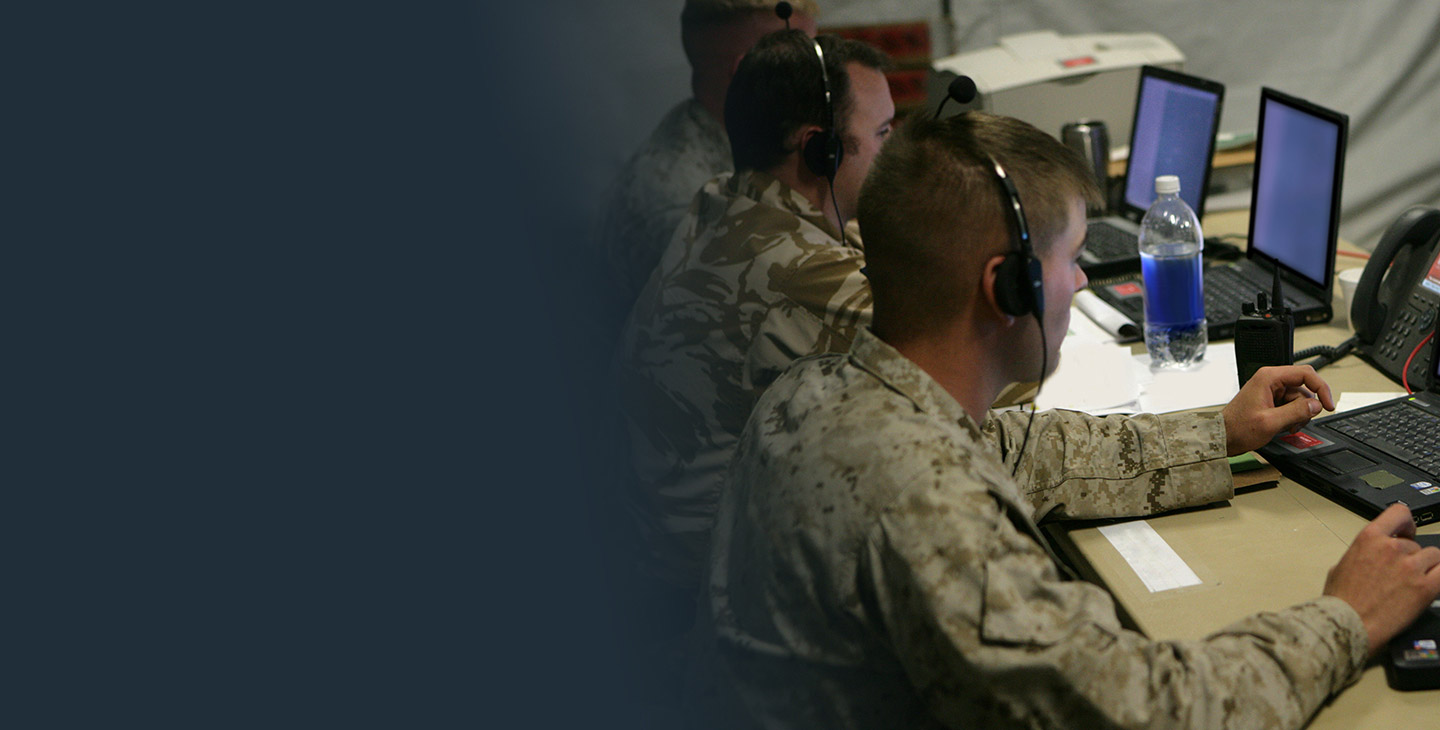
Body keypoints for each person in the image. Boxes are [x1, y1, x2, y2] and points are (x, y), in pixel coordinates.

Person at [706, 112, 1440, 729]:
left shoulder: (827, 386)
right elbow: (1149, 711)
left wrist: (1221, 431)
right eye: (1073, 260)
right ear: (1009, 287)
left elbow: (1029, 448)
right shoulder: (922, 501)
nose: (1084, 282)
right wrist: (1347, 615)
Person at [614, 29, 893, 609]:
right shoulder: (795, 273)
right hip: (699, 604)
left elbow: (850, 246)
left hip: (645, 563)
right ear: (822, 151)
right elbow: (975, 364)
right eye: (884, 134)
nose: (895, 154)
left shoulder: (725, 199)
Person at [596, 0, 819, 312]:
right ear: (751, 73)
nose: (820, 80)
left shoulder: (732, 152)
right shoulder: (683, 210)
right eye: (805, 61)